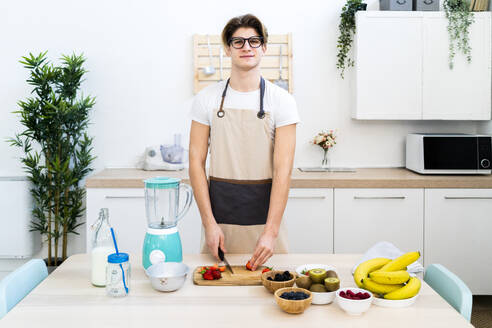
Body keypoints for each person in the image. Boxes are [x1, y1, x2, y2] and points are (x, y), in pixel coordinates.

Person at [189, 13, 299, 270]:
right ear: (228, 49)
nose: (246, 47)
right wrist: (209, 224)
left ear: (264, 47)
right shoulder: (206, 99)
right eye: (238, 42)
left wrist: (271, 233)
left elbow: (283, 170)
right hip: (220, 226)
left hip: (267, 225)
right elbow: (195, 163)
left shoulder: (282, 101)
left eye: (253, 41)